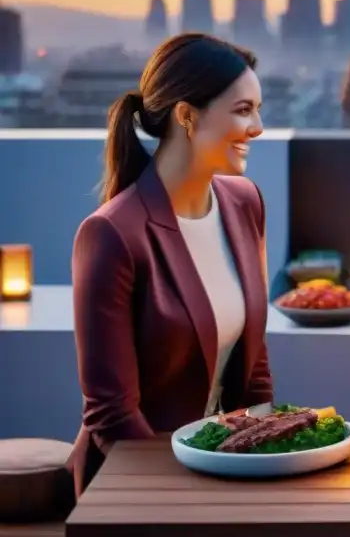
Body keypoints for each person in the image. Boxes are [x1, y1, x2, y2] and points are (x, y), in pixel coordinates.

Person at [70, 33, 274, 493]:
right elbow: (111, 414)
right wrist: (185, 492)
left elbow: (254, 362)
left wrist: (267, 458)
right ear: (186, 116)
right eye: (243, 110)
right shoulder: (111, 235)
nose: (259, 126)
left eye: (259, 109)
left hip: (227, 471)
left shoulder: (245, 202)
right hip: (139, 481)